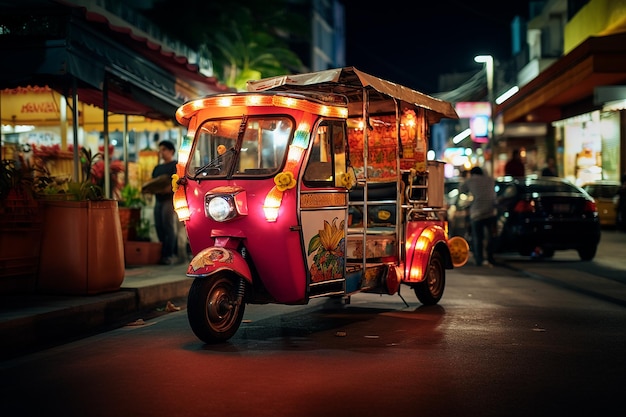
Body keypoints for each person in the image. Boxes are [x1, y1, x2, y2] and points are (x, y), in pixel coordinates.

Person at [459, 166, 498, 266]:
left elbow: (461, 190)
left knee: (478, 238)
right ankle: (491, 257)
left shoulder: (470, 180)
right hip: (491, 211)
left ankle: (479, 259)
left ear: (472, 173)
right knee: (491, 237)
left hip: (477, 212)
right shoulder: (490, 179)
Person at [151, 140, 178, 265]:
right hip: (158, 199)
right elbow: (152, 182)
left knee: (168, 226)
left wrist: (167, 188)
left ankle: (169, 254)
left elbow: (177, 182)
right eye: (160, 150)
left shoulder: (175, 165)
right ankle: (163, 253)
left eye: (164, 150)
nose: (161, 152)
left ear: (171, 151)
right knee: (159, 226)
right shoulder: (158, 168)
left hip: (169, 200)